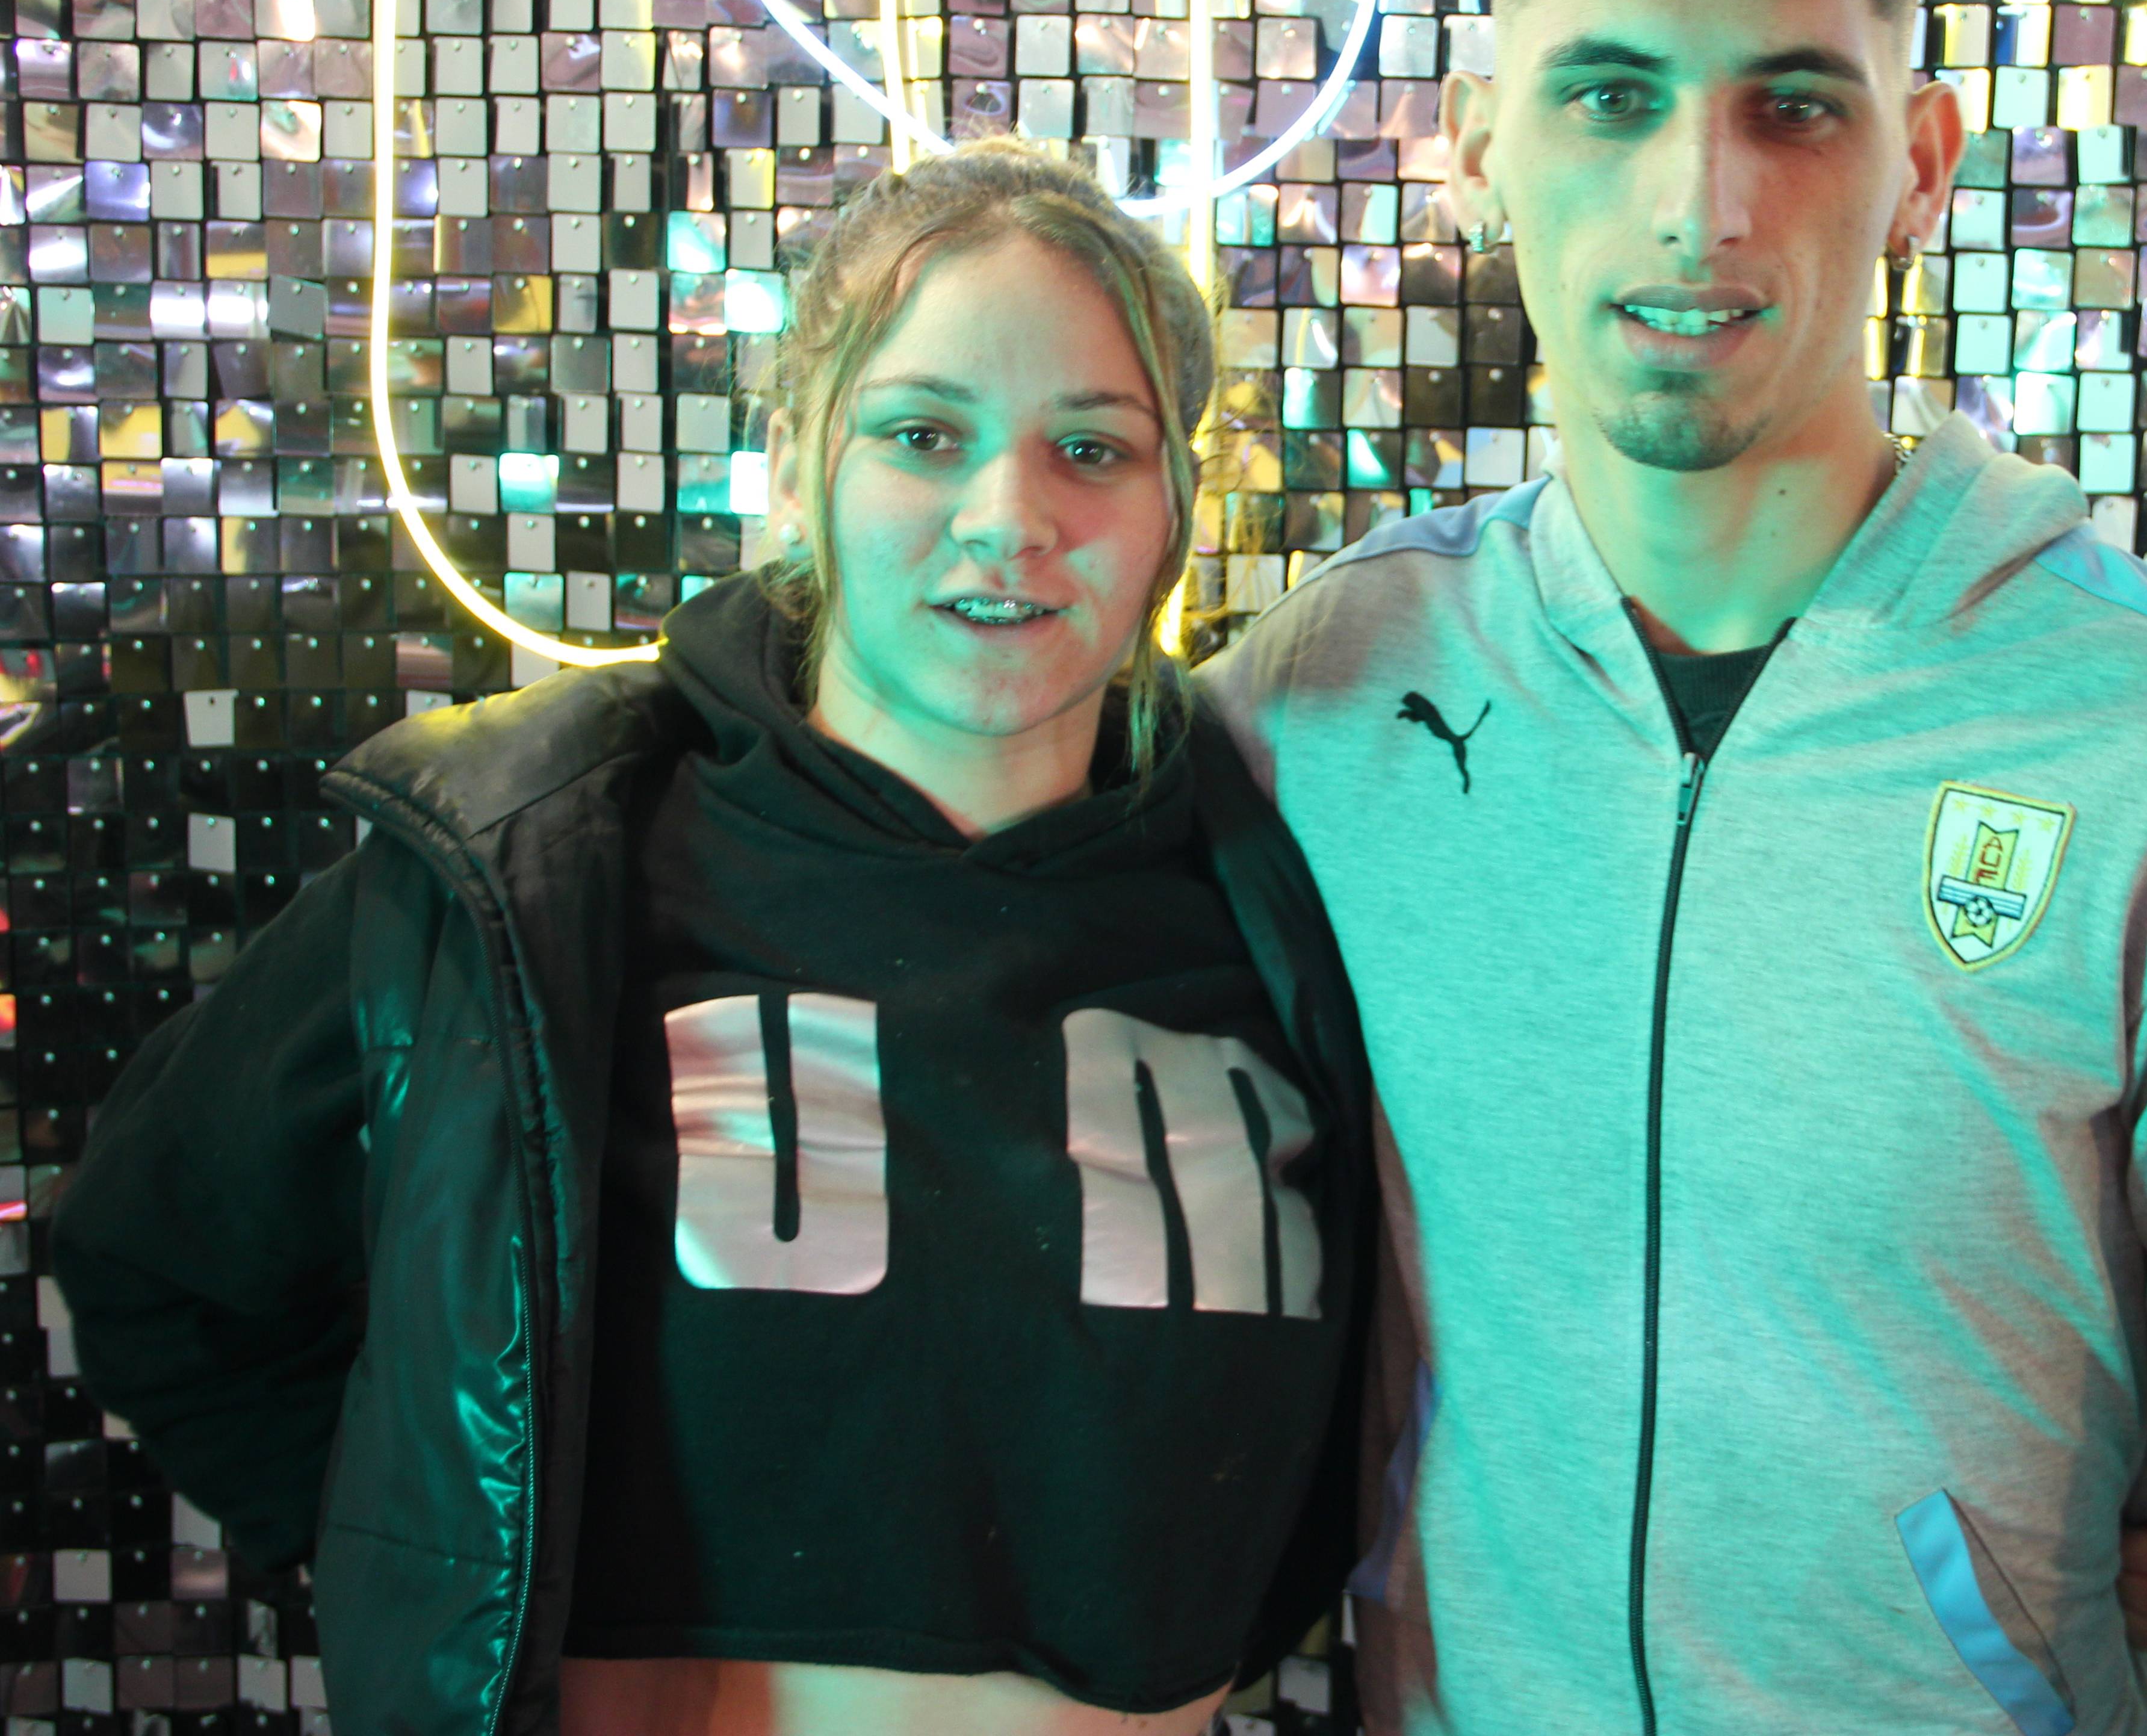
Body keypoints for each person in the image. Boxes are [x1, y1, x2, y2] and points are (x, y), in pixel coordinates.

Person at [1198, 0, 2147, 1734]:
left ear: (1919, 161)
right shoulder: (1322, 701)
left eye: (1790, 107)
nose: (1699, 204)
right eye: (1610, 98)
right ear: (1482, 144)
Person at [51, 140, 1369, 1736]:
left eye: (1091, 448)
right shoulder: (533, 864)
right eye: (923, 434)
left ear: (1176, 506)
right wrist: (426, 1578)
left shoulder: (1285, 895)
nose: (1009, 518)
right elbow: (156, 1261)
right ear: (798, 459)